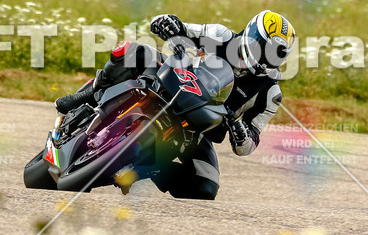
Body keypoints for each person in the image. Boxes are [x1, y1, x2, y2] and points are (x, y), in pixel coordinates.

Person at [55, 11, 296, 200]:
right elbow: (182, 28)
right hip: (170, 80)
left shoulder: (270, 93)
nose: (266, 56)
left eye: (276, 53)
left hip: (196, 128)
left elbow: (249, 145)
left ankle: (145, 170)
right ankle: (89, 93)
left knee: (205, 186)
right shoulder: (221, 35)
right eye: (264, 48)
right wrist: (169, 24)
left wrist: (242, 134)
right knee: (130, 51)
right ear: (250, 35)